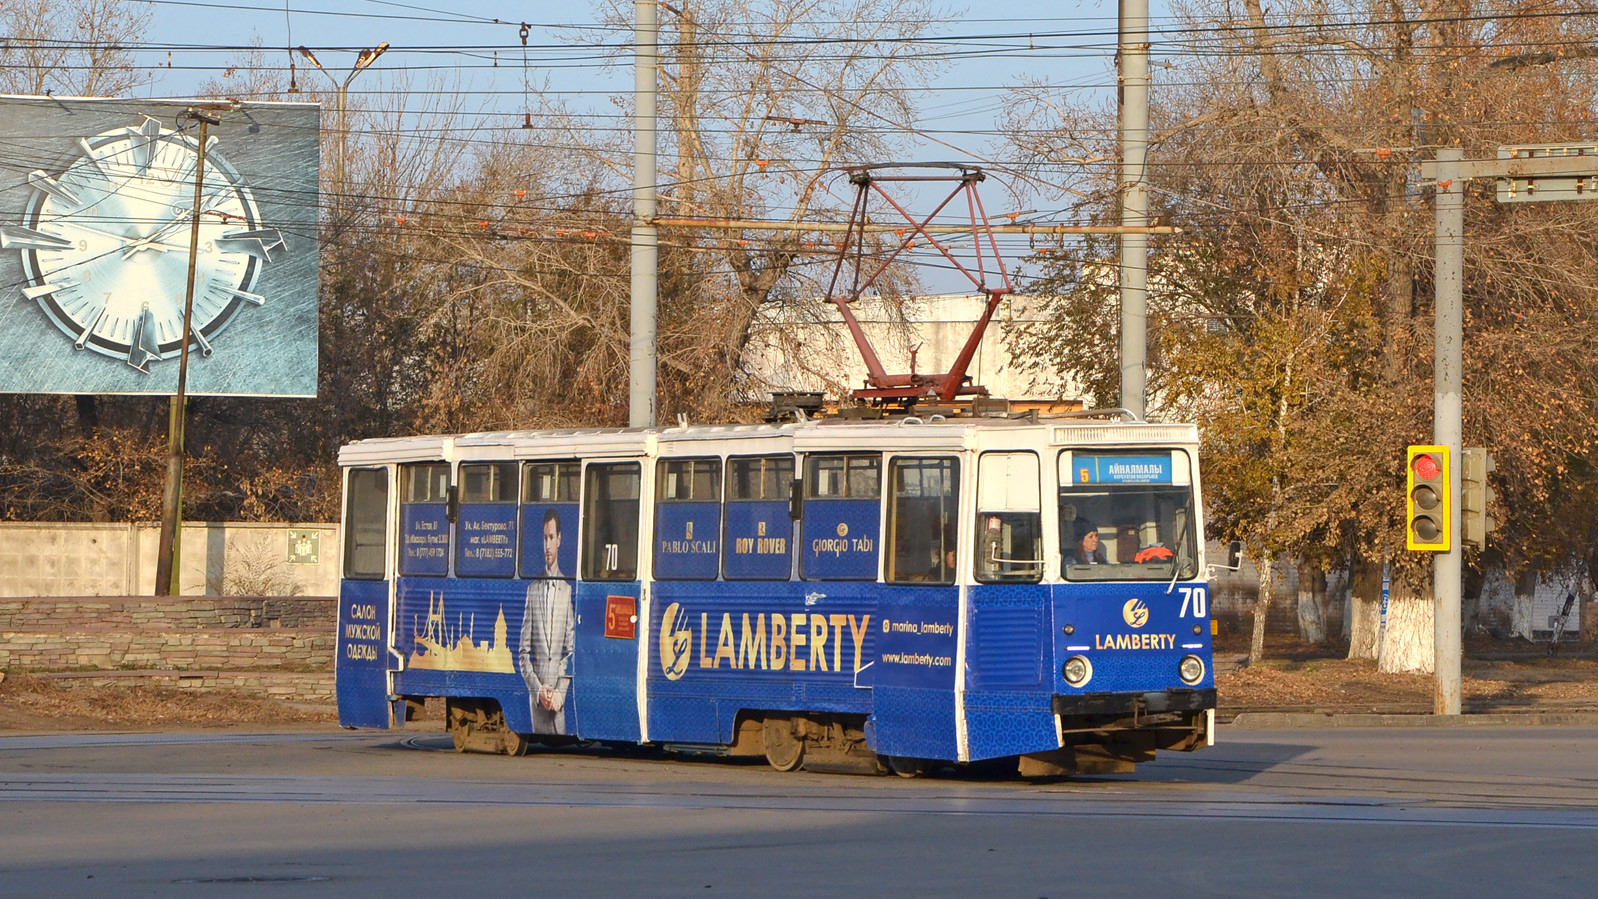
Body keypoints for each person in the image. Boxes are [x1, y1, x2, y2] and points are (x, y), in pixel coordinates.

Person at [519, 508, 575, 734]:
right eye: (544, 538)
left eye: (551, 538)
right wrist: (537, 689)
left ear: (559, 540)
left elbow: (572, 650)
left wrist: (560, 693)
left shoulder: (567, 590)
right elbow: (523, 652)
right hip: (538, 707)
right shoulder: (532, 591)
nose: (547, 546)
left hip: (558, 708)